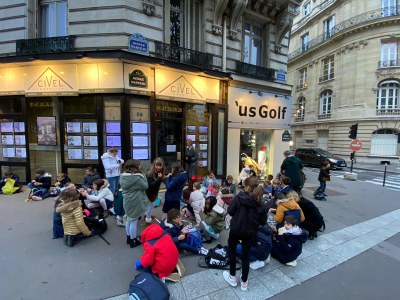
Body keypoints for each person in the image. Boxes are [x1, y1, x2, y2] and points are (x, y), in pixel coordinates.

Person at [223, 176, 267, 292]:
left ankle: (232, 276)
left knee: (231, 251)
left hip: (236, 229)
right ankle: (244, 282)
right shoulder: (261, 203)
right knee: (245, 256)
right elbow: (263, 222)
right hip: (250, 232)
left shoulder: (239, 198)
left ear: (247, 186)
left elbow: (231, 211)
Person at [120, 159, 149, 248]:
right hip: (135, 201)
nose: (140, 166)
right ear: (135, 167)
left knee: (129, 219)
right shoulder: (137, 177)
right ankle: (133, 241)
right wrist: (143, 175)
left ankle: (128, 238)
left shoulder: (123, 176)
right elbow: (145, 186)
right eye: (138, 165)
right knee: (133, 221)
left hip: (127, 200)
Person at [145, 157, 165, 225]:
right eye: (157, 165)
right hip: (149, 193)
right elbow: (151, 185)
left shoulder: (159, 172)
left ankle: (147, 215)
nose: (158, 167)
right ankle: (147, 220)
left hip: (154, 192)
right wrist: (159, 178)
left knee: (151, 206)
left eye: (160, 165)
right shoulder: (150, 174)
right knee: (150, 207)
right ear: (154, 165)